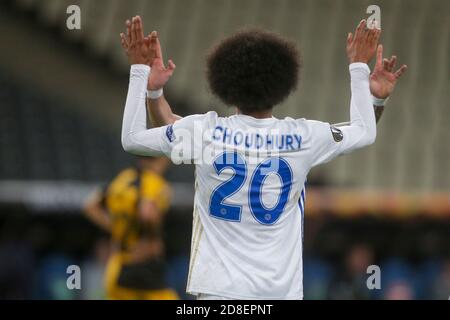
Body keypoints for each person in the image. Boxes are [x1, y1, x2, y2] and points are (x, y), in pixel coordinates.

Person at [119, 16, 407, 299]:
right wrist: (363, 76)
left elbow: (137, 137)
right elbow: (363, 131)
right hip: (278, 292)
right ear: (282, 85)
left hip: (218, 291)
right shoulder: (303, 138)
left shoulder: (204, 132)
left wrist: (142, 77)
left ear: (225, 85)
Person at [83, 156, 178, 300]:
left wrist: (115, 228)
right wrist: (152, 240)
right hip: (141, 266)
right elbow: (147, 213)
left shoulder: (122, 179)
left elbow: (90, 206)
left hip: (116, 266)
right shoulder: (154, 182)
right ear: (160, 158)